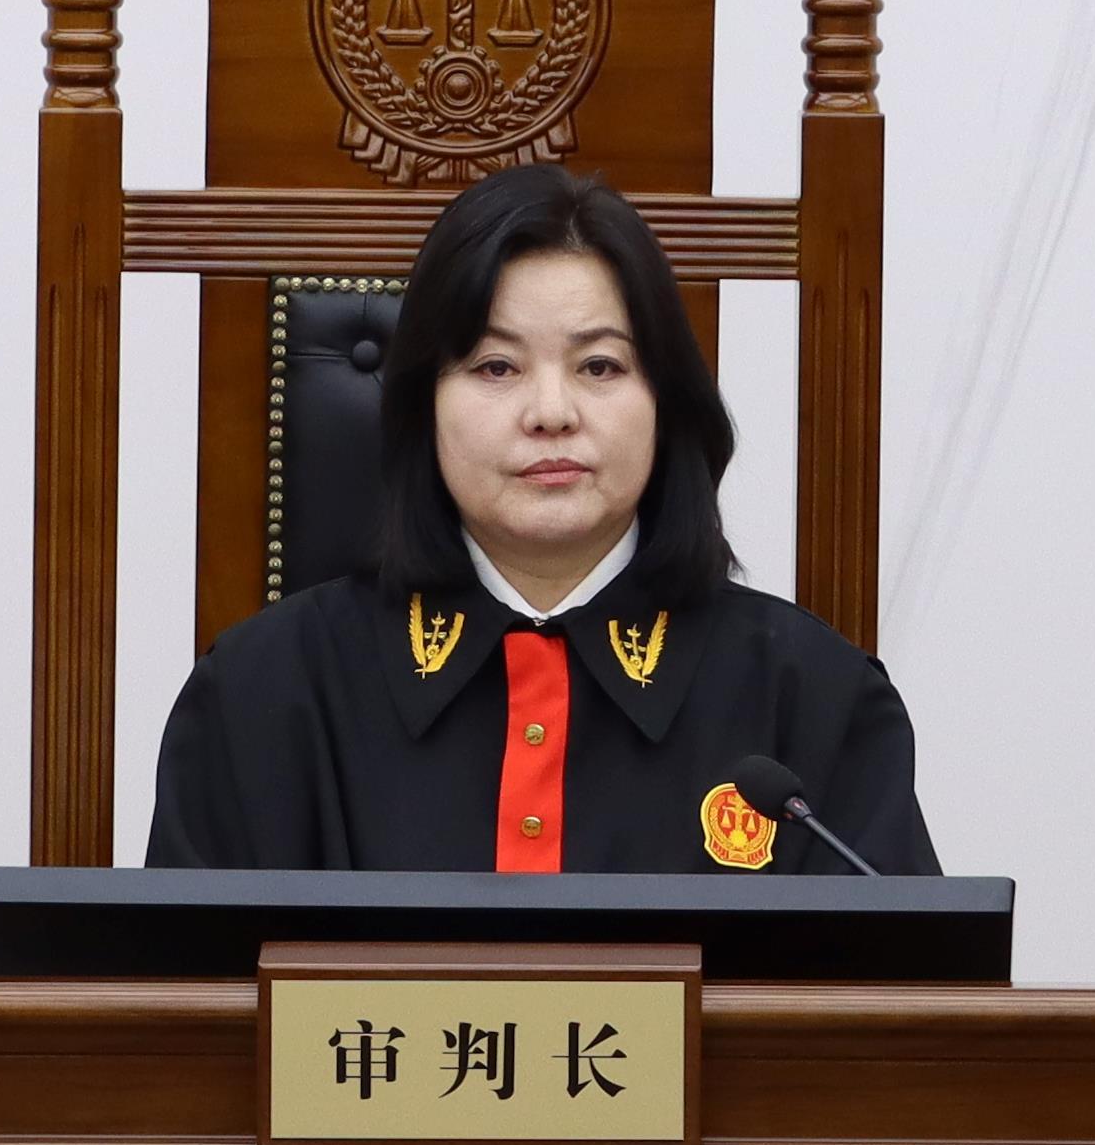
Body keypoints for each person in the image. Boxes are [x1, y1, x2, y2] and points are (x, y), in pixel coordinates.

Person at [140, 161, 932, 873]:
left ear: (667, 402)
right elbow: (173, 991)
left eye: (600, 366)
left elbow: (902, 991)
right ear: (422, 408)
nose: (551, 411)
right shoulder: (256, 697)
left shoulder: (816, 705)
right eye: (496, 366)